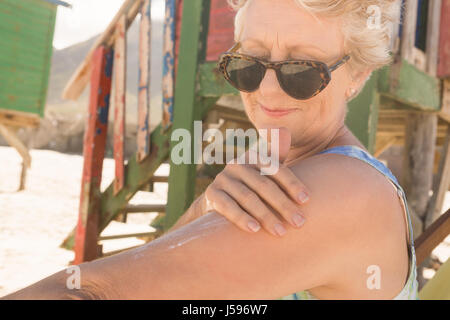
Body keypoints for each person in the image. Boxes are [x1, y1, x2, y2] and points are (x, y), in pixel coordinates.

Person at [2, 0, 418, 300]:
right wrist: (205, 208)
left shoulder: (345, 193)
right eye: (249, 64)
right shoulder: (276, 169)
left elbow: (99, 292)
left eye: (302, 70)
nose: (266, 90)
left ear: (358, 76)